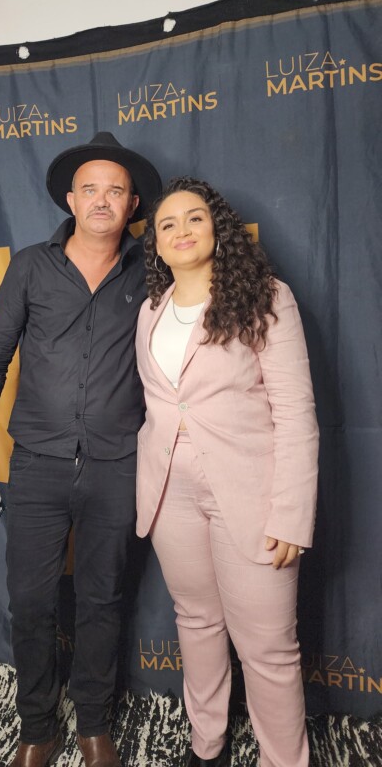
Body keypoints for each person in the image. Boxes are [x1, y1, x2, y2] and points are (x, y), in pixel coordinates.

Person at [0, 132, 162, 767]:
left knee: (103, 598)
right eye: (90, 188)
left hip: (117, 464)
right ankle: (37, 728)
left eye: (115, 189)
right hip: (39, 465)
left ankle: (95, 725)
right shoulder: (29, 266)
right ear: (72, 199)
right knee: (32, 602)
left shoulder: (153, 270)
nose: (102, 199)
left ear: (132, 204)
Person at [135, 176, 319, 767]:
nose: (181, 231)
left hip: (253, 494)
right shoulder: (149, 312)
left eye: (194, 218)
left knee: (267, 648)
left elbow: (296, 413)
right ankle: (206, 746)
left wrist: (292, 513)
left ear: (217, 228)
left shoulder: (266, 297)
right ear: (156, 244)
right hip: (170, 496)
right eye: (167, 224)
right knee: (197, 623)